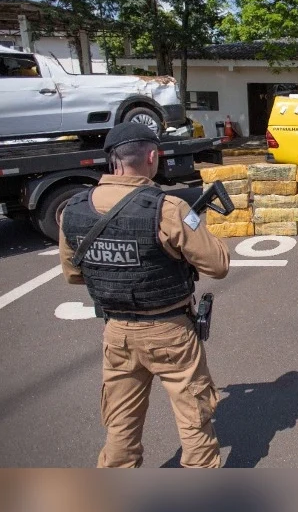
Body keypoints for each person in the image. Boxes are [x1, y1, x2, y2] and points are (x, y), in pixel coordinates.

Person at [58, 122, 231, 468]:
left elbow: (73, 274)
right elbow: (218, 265)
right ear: (152, 156)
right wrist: (194, 227)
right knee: (194, 420)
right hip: (170, 332)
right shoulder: (169, 209)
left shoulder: (73, 209)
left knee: (120, 426)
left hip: (117, 334)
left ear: (112, 159)